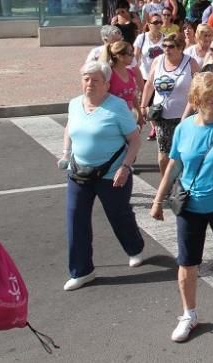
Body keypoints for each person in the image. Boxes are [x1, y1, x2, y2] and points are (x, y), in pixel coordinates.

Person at [150, 73, 213, 342]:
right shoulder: (184, 128)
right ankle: (189, 314)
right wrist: (158, 200)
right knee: (187, 262)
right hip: (190, 206)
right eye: (212, 101)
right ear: (197, 101)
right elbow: (174, 165)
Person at [62, 61, 145, 291]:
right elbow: (69, 129)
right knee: (75, 220)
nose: (89, 84)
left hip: (112, 174)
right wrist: (65, 153)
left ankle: (134, 248)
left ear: (106, 84)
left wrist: (125, 168)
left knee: (119, 215)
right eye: (86, 79)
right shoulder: (74, 104)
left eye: (95, 80)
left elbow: (135, 140)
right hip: (79, 173)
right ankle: (82, 271)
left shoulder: (117, 107)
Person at [140, 33, 198, 175]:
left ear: (180, 48)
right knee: (164, 154)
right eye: (164, 46)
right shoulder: (158, 61)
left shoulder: (191, 63)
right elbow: (149, 85)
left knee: (185, 153)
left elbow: (198, 88)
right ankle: (165, 184)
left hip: (186, 116)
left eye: (171, 46)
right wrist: (143, 105)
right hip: (162, 116)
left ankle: (183, 185)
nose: (166, 49)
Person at [133, 13, 166, 81]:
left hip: (161, 77)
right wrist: (134, 75)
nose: (159, 25)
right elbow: (135, 56)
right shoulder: (141, 38)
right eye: (156, 22)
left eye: (161, 22)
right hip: (144, 77)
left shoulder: (166, 38)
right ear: (149, 24)